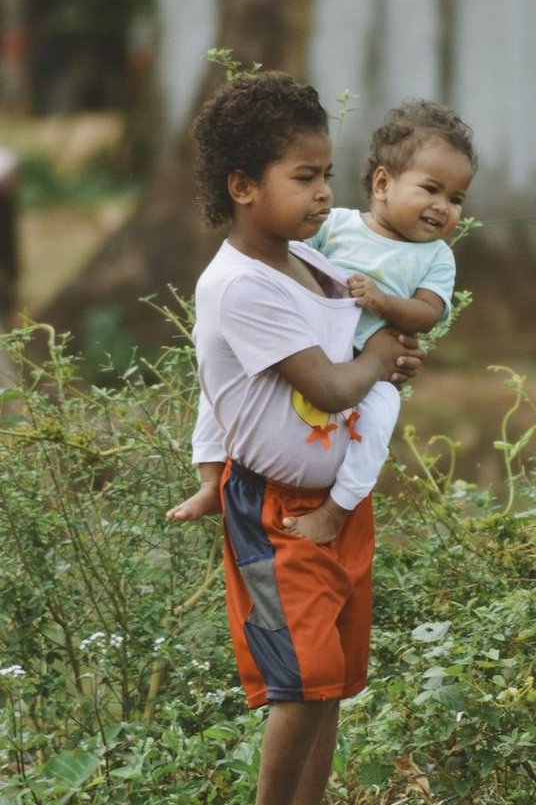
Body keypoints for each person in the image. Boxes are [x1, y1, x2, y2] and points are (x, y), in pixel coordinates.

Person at [183, 70, 425, 805]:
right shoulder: (242, 285)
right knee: (301, 678)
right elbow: (327, 385)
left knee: (330, 683)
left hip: (336, 506)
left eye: (328, 175)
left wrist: (387, 352)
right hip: (279, 508)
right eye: (302, 178)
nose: (324, 194)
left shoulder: (311, 264)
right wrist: (383, 358)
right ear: (242, 187)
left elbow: (356, 350)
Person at [168, 97, 477, 543]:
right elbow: (327, 385)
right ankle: (210, 479)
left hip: (356, 378)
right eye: (430, 190)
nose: (443, 206)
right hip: (286, 472)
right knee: (214, 389)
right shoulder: (329, 231)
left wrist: (384, 321)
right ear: (383, 183)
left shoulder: (435, 257)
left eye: (456, 199)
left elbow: (427, 313)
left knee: (377, 422)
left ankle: (339, 507)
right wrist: (378, 356)